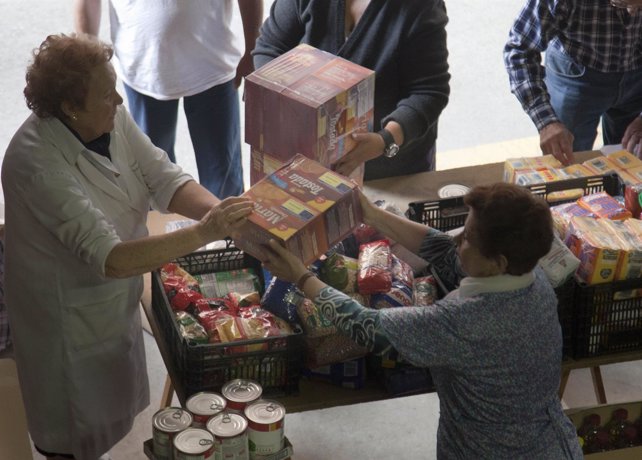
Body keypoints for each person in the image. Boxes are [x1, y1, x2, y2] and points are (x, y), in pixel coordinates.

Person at [1, 33, 254, 460]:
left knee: (113, 414)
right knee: (71, 439)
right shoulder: (37, 163)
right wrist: (203, 233)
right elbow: (111, 258)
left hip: (111, 300)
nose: (119, 100)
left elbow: (163, 177)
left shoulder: (105, 117)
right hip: (66, 318)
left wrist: (225, 216)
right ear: (69, 107)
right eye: (106, 94)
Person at [260, 182, 583, 459]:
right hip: (551, 440)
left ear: (497, 262)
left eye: (468, 237)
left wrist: (300, 277)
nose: (458, 240)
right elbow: (445, 251)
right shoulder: (531, 275)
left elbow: (368, 327)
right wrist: (369, 213)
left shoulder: (469, 322)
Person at [74, 0, 264, 199]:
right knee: (153, 176)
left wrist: (254, 46)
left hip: (212, 67)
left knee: (223, 178)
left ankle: (227, 229)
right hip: (143, 69)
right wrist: (90, 63)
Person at [252, 0, 451, 181]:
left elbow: (428, 91)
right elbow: (270, 46)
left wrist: (385, 140)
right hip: (310, 160)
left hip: (390, 168)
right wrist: (279, 100)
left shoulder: (420, 7)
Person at [504, 0, 642, 165]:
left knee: (633, 164)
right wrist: (547, 122)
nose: (631, 10)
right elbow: (519, 50)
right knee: (568, 164)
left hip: (636, 75)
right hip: (576, 78)